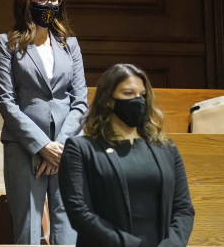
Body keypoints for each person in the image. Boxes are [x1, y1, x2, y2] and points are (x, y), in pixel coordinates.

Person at [0, 0, 87, 244]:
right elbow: (6, 102)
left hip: (67, 150)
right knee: (29, 231)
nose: (49, 5)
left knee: (68, 228)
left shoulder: (70, 45)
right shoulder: (6, 43)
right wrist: (42, 146)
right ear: (27, 1)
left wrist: (59, 147)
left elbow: (80, 101)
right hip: (25, 149)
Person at [59, 64, 194, 247]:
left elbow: (183, 209)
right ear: (108, 100)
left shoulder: (166, 149)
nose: (138, 101)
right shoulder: (81, 149)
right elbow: (79, 212)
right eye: (128, 94)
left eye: (142, 95)